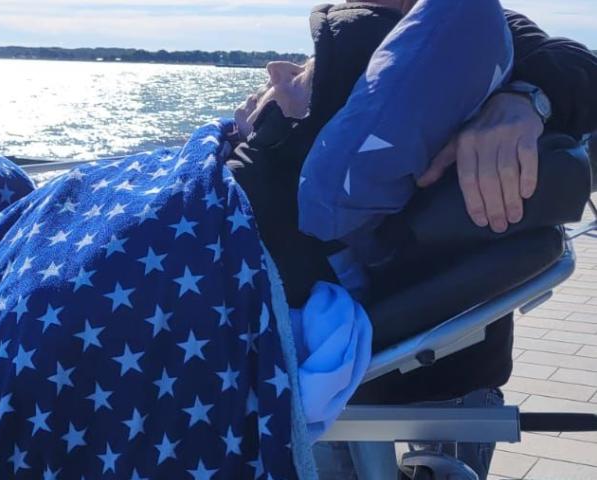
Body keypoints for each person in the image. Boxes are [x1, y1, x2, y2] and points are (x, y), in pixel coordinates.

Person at [227, 2, 597, 478]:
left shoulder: (467, 25)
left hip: (451, 364)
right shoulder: (346, 39)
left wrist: (525, 99)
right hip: (328, 360)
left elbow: (580, 64)